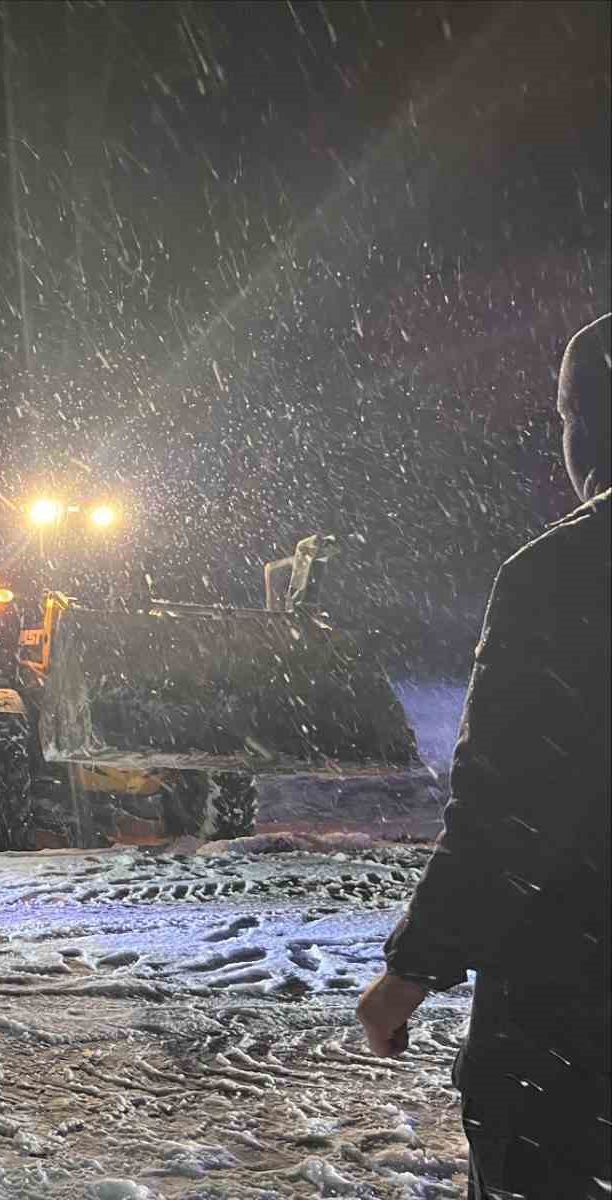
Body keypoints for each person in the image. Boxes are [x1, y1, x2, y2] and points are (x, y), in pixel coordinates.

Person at [358, 313, 611, 1198]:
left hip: (576, 1027)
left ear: (586, 423)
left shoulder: (566, 575)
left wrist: (408, 972)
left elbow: (511, 815)